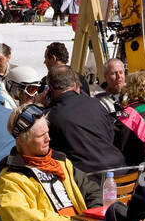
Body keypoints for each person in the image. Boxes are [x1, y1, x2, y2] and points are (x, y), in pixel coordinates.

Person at [0, 103, 87, 221]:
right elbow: (21, 219)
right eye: (41, 136)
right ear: (22, 141)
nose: (48, 139)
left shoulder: (61, 163)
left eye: (48, 133)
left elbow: (91, 188)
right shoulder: (11, 178)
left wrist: (94, 216)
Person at [44, 65, 124, 198]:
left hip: (88, 185)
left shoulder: (49, 117)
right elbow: (111, 136)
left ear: (50, 89)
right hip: (120, 175)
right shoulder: (96, 104)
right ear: (75, 85)